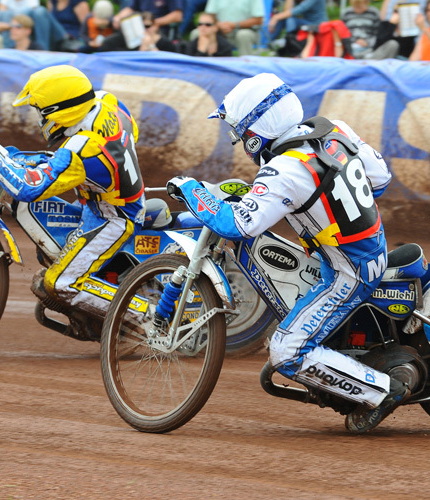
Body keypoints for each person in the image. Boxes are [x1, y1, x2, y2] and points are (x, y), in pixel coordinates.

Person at [165, 73, 410, 433]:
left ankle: (381, 393)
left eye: (240, 132)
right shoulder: (334, 130)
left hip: (347, 272)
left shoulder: (285, 168)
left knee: (285, 351)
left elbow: (237, 226)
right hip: (365, 250)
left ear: (257, 129)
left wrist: (189, 189)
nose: (240, 141)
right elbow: (380, 179)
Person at [0, 65, 146, 320]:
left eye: (41, 112)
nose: (40, 119)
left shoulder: (80, 149)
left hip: (114, 218)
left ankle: (150, 318)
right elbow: (130, 136)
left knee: (60, 284)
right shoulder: (108, 102)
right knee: (51, 247)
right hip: (102, 197)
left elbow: (28, 188)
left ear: (58, 111)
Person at [0, 0, 68, 50]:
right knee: (4, 14)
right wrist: (14, 24)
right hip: (15, 24)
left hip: (28, 24)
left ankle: (44, 49)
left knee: (40, 11)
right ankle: (7, 48)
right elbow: (0, 13)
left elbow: (30, 14)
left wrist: (11, 25)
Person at [115, 0, 182, 39]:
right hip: (139, 28)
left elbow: (177, 15)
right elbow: (131, 8)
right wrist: (118, 17)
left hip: (160, 30)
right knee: (115, 40)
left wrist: (155, 23)